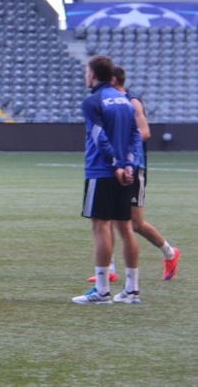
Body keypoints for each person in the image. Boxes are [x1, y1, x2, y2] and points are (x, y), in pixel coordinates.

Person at [86, 66, 180, 283]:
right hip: (115, 167)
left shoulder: (131, 101)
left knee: (135, 224)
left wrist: (119, 137)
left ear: (112, 80)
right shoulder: (110, 103)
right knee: (105, 218)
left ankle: (170, 253)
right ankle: (108, 269)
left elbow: (144, 132)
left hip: (134, 168)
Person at [73, 55, 142, 304]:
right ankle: (132, 290)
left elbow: (98, 135)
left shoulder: (92, 101)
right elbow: (136, 136)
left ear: (93, 74)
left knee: (100, 226)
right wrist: (129, 165)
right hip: (126, 172)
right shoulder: (125, 100)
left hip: (101, 171)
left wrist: (114, 165)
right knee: (125, 227)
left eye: (86, 71)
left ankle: (102, 290)